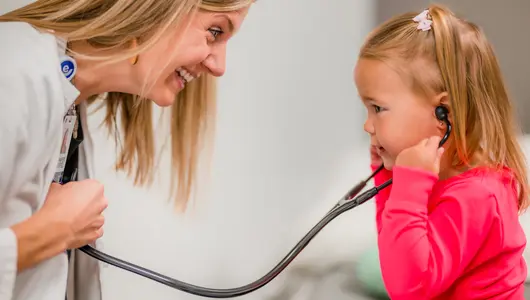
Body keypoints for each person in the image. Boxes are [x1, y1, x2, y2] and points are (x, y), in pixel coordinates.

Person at [0, 0, 253, 299]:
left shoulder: (69, 109)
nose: (219, 67)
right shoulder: (13, 70)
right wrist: (52, 231)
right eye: (214, 31)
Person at [354, 4, 528, 299]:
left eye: (378, 109)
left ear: (442, 113)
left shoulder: (478, 196)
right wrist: (389, 178)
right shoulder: (434, 179)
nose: (367, 125)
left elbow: (409, 287)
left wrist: (406, 189)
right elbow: (395, 252)